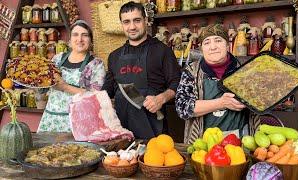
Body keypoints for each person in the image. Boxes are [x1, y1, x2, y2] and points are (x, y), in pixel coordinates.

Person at [103, 1, 181, 139]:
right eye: (126, 22)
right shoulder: (114, 56)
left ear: (146, 21)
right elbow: (107, 91)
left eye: (137, 20)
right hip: (121, 131)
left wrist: (161, 98)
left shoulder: (162, 51)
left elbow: (176, 83)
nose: (132, 26)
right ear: (121, 24)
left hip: (152, 127)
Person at [175, 24, 248, 144]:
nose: (213, 47)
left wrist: (247, 102)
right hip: (201, 143)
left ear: (227, 45)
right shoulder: (191, 72)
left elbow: (259, 101)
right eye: (207, 42)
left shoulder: (243, 70)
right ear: (202, 48)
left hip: (239, 142)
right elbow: (182, 108)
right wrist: (221, 103)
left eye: (218, 40)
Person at [38, 20, 106, 132]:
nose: (79, 39)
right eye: (75, 35)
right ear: (70, 40)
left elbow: (96, 97)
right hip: (51, 119)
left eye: (84, 35)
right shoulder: (57, 59)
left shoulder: (96, 64)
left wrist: (65, 87)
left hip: (79, 123)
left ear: (90, 40)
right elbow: (43, 88)